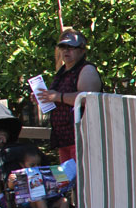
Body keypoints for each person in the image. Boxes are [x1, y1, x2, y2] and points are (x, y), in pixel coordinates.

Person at [35, 28, 103, 164]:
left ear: (82, 50)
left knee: (83, 181)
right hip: (64, 139)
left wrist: (58, 96)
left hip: (82, 138)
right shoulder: (62, 71)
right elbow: (55, 97)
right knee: (69, 182)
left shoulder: (86, 69)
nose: (66, 50)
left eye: (71, 47)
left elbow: (88, 99)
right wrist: (43, 97)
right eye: (62, 46)